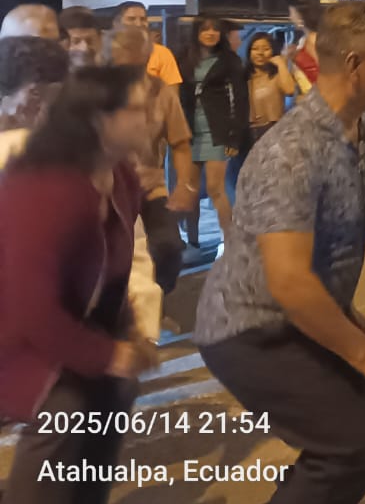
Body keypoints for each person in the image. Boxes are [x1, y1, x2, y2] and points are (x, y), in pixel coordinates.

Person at [195, 1, 365, 504]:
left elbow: (333, 244)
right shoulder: (292, 150)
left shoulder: (362, 133)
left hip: (296, 319)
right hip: (250, 330)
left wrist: (345, 316)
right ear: (354, 64)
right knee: (355, 446)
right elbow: (289, 281)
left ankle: (301, 499)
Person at [0, 66, 159, 504]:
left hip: (65, 325)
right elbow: (29, 308)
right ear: (98, 119)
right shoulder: (48, 188)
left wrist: (129, 335)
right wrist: (106, 355)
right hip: (18, 331)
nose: (150, 118)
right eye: (137, 109)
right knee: (63, 407)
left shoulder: (119, 176)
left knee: (115, 391)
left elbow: (115, 270)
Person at [108, 27, 200, 295]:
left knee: (168, 248)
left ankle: (158, 300)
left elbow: (180, 143)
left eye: (138, 54)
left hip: (149, 186)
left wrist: (185, 185)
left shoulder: (162, 92)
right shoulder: (95, 90)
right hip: (107, 189)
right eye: (124, 53)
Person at [178, 16, 249, 245]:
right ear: (196, 32)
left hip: (217, 131)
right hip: (189, 130)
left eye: (215, 30)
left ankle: (229, 241)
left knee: (215, 189)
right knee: (190, 188)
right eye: (205, 29)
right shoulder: (185, 57)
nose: (210, 33)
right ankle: (192, 242)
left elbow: (241, 100)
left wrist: (234, 136)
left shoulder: (229, 60)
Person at [244, 31, 297, 147]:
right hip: (249, 133)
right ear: (249, 52)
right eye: (255, 49)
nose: (260, 53)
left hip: (274, 130)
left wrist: (281, 64)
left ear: (273, 51)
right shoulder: (244, 77)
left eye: (266, 49)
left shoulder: (277, 75)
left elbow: (290, 90)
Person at [114, 1, 184, 86]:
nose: (138, 24)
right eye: (131, 19)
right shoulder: (107, 53)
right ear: (117, 24)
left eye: (143, 19)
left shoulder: (161, 53)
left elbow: (172, 91)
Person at [288, 0, 323, 91]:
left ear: (300, 15)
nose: (290, 17)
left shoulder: (313, 39)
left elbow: (324, 70)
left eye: (292, 13)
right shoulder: (304, 39)